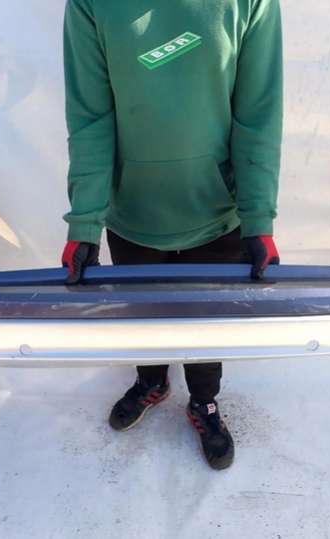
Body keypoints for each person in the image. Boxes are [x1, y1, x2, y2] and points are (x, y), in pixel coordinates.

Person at [60, 0, 283, 470]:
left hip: (215, 208)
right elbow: (90, 118)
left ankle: (203, 402)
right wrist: (85, 223)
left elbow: (257, 114)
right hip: (134, 208)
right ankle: (152, 382)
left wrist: (259, 219)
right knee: (144, 317)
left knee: (205, 323)